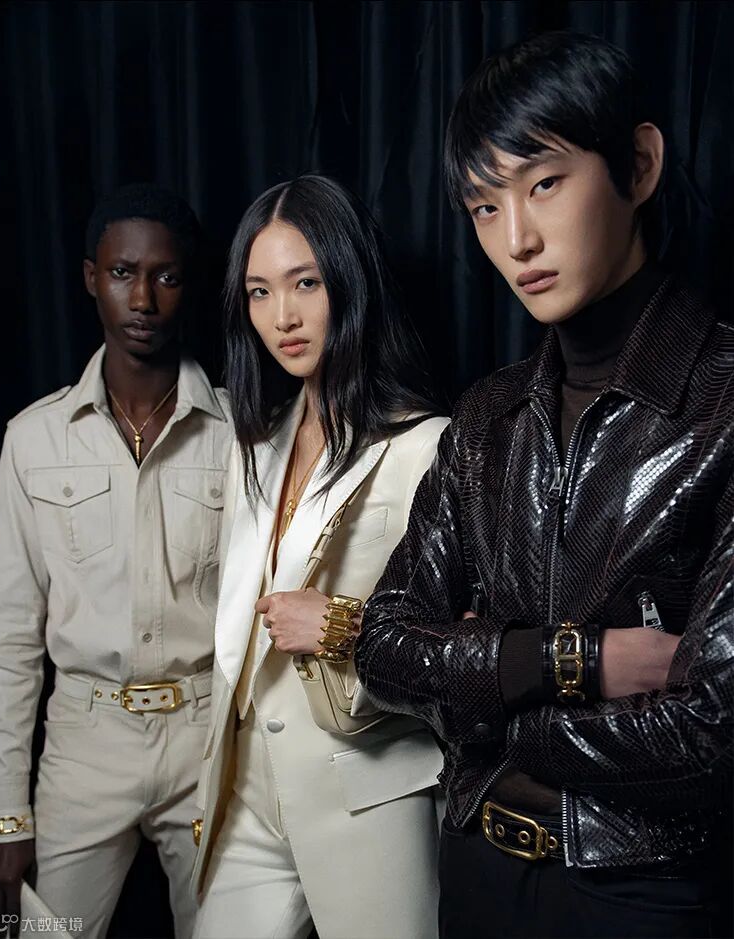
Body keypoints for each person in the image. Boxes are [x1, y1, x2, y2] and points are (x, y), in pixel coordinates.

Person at [355, 31, 733, 939]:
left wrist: (487, 701)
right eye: (484, 207)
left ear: (639, 165)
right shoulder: (487, 417)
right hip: (475, 872)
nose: (517, 238)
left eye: (546, 184)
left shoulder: (722, 403)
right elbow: (381, 643)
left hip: (641, 894)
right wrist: (576, 662)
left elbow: (714, 732)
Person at [191, 174, 448, 939]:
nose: (283, 316)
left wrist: (338, 621)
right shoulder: (257, 445)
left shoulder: (425, 446)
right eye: (260, 291)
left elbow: (458, 645)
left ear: (349, 277)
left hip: (368, 792)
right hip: (246, 790)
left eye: (305, 282)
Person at [0, 184, 233, 939]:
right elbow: (9, 639)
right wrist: (4, 818)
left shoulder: (241, 433)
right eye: (124, 273)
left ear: (188, 284)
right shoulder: (33, 439)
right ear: (92, 277)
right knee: (36, 932)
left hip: (205, 736)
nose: (144, 299)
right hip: (84, 742)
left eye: (166, 276)